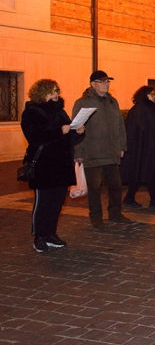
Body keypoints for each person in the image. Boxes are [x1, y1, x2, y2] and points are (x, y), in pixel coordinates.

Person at [21, 79, 85, 252]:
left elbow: (69, 136)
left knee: (57, 202)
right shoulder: (32, 112)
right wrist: (59, 131)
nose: (56, 94)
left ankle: (51, 233)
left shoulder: (60, 111)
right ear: (42, 93)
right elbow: (34, 136)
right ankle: (39, 236)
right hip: (44, 165)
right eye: (51, 92)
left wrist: (78, 132)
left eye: (56, 90)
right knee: (43, 202)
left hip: (62, 164)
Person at [72, 70, 129, 227]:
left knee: (116, 186)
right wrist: (78, 152)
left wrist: (122, 145)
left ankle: (115, 213)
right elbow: (76, 129)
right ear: (92, 84)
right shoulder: (82, 103)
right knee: (94, 188)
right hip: (93, 153)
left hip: (111, 152)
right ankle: (96, 217)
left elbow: (120, 125)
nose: (106, 85)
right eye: (102, 82)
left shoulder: (113, 102)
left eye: (107, 82)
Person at [120, 86, 155, 209]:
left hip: (143, 148)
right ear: (145, 95)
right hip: (145, 149)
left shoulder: (142, 109)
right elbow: (144, 129)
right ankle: (152, 200)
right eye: (152, 94)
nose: (154, 97)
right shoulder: (143, 110)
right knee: (148, 173)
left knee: (142, 174)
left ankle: (131, 198)